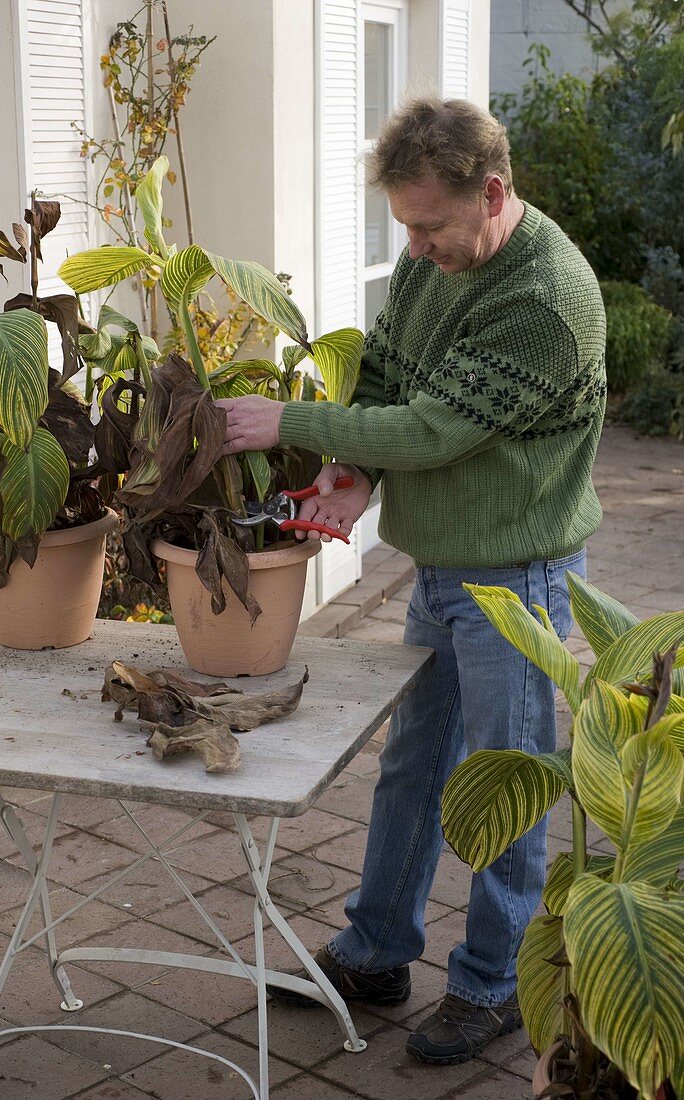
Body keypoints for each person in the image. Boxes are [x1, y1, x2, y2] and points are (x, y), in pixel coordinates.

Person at [215, 95, 606, 1066]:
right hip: (440, 565)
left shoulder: (546, 298)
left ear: (494, 193)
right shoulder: (438, 263)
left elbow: (437, 428)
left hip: (517, 577)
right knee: (413, 767)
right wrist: (351, 481)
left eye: (431, 225)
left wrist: (292, 424)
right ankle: (377, 949)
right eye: (406, 227)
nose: (418, 247)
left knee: (504, 780)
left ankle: (494, 980)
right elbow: (390, 377)